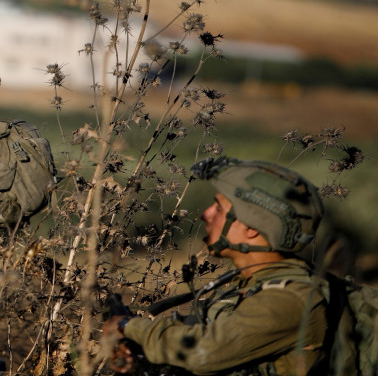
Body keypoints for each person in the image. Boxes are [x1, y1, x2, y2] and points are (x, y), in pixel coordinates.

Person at [104, 157, 330, 376]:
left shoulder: (289, 299)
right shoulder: (249, 285)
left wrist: (128, 326)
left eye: (219, 209)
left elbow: (202, 352)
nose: (206, 215)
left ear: (251, 228)